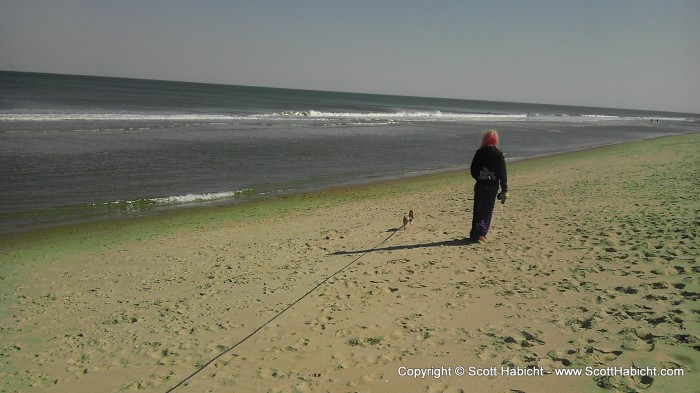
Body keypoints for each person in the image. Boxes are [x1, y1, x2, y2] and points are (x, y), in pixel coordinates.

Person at [469, 130, 508, 242]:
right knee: (487, 210)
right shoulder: (499, 154)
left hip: (480, 185)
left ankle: (474, 234)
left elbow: (473, 169)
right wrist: (504, 188)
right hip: (493, 186)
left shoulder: (479, 152)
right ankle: (482, 233)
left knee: (478, 209)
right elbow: (503, 173)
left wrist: (479, 177)